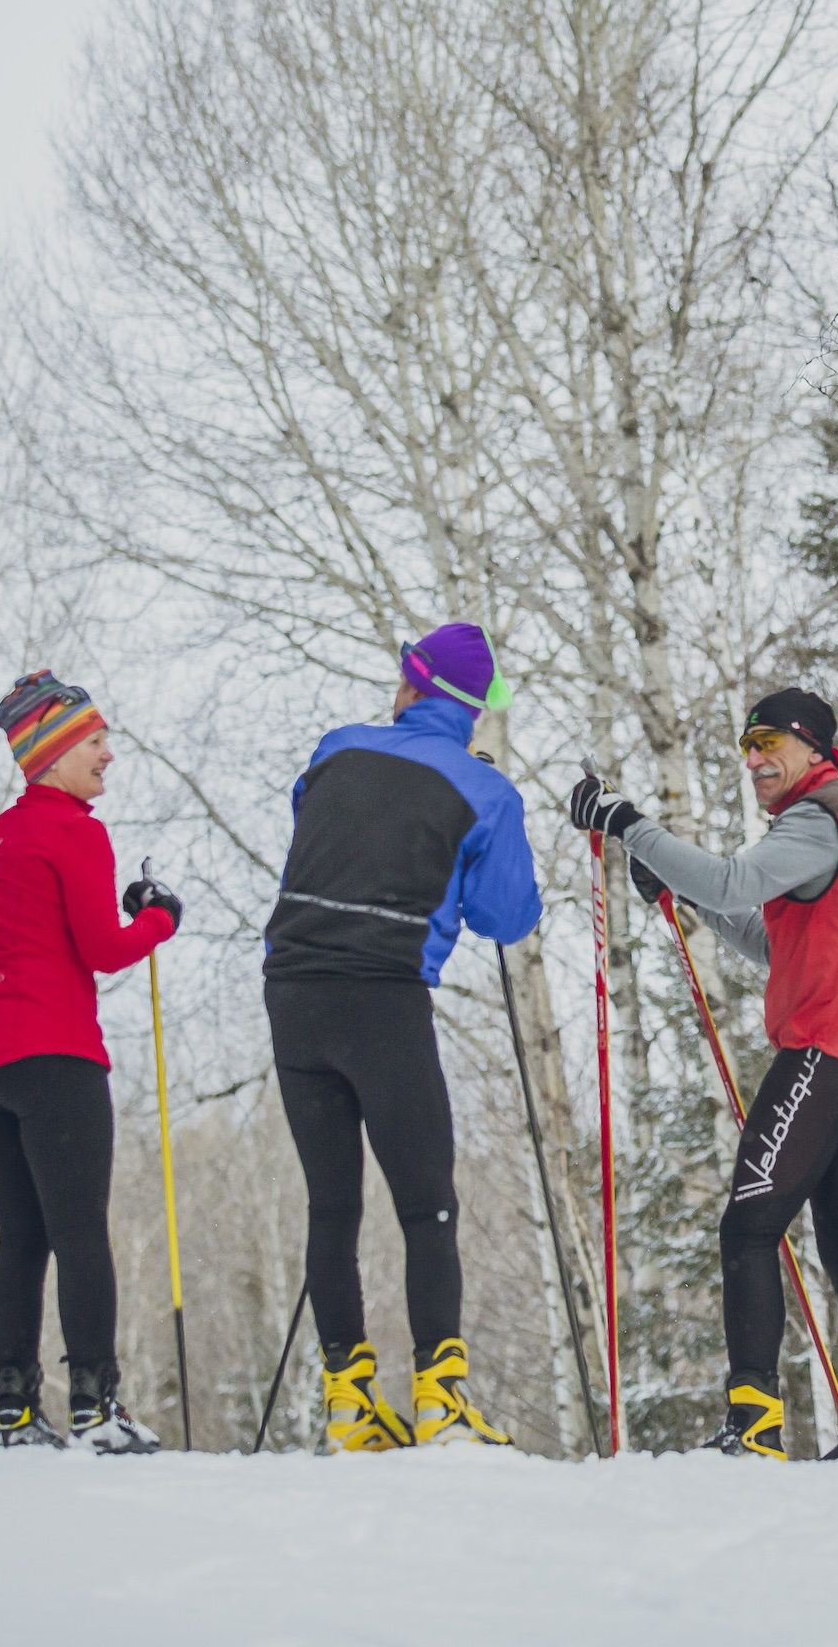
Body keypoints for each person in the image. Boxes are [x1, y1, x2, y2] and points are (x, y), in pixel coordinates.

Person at [570, 687, 838, 1464]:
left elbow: (731, 880)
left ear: (813, 748)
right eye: (746, 746)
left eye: (770, 742)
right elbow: (773, 944)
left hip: (830, 1049)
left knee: (749, 1226)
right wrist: (680, 893)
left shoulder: (818, 817)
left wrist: (626, 824)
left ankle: (754, 1421)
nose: (756, 759)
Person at [264, 622, 541, 1451]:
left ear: (411, 686)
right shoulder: (485, 792)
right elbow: (506, 917)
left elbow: (312, 820)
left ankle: (349, 1403)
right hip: (383, 999)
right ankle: (440, 1400)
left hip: (293, 989)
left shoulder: (334, 750)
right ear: (477, 711)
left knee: (332, 1203)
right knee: (428, 1203)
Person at [0, 671, 179, 1454]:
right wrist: (157, 920)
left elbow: (24, 938)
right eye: (95, 742)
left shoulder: (1, 835)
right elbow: (102, 949)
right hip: (52, 1055)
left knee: (23, 1237)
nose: (109, 755)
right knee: (80, 1236)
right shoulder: (76, 831)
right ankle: (95, 1409)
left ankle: (15, 1409)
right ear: (51, 754)